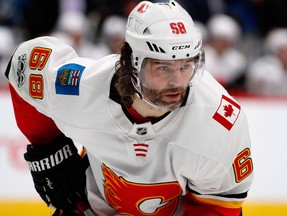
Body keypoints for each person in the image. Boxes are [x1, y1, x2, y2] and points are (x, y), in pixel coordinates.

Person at [5, 1, 253, 215]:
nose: (178, 82)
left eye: (186, 65)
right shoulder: (83, 88)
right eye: (163, 67)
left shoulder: (216, 123)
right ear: (131, 61)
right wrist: (48, 148)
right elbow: (25, 64)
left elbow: (218, 207)